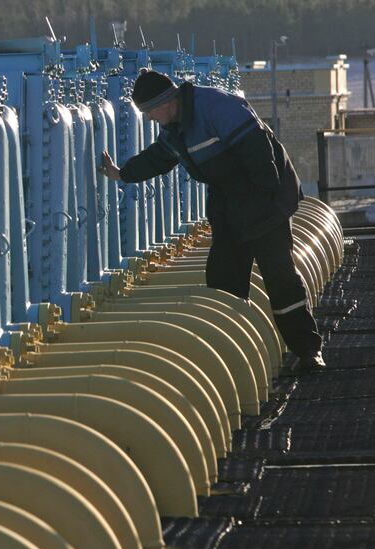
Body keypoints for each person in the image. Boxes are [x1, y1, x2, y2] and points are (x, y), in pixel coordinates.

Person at [98, 68, 324, 371]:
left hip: (264, 198)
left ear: (165, 102)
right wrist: (121, 173)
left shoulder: (217, 106)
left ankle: (308, 351)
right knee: (223, 280)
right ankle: (233, 359)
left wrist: (264, 208)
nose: (150, 119)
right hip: (229, 200)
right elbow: (158, 158)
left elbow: (260, 154)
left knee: (281, 277)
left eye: (149, 111)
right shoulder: (176, 128)